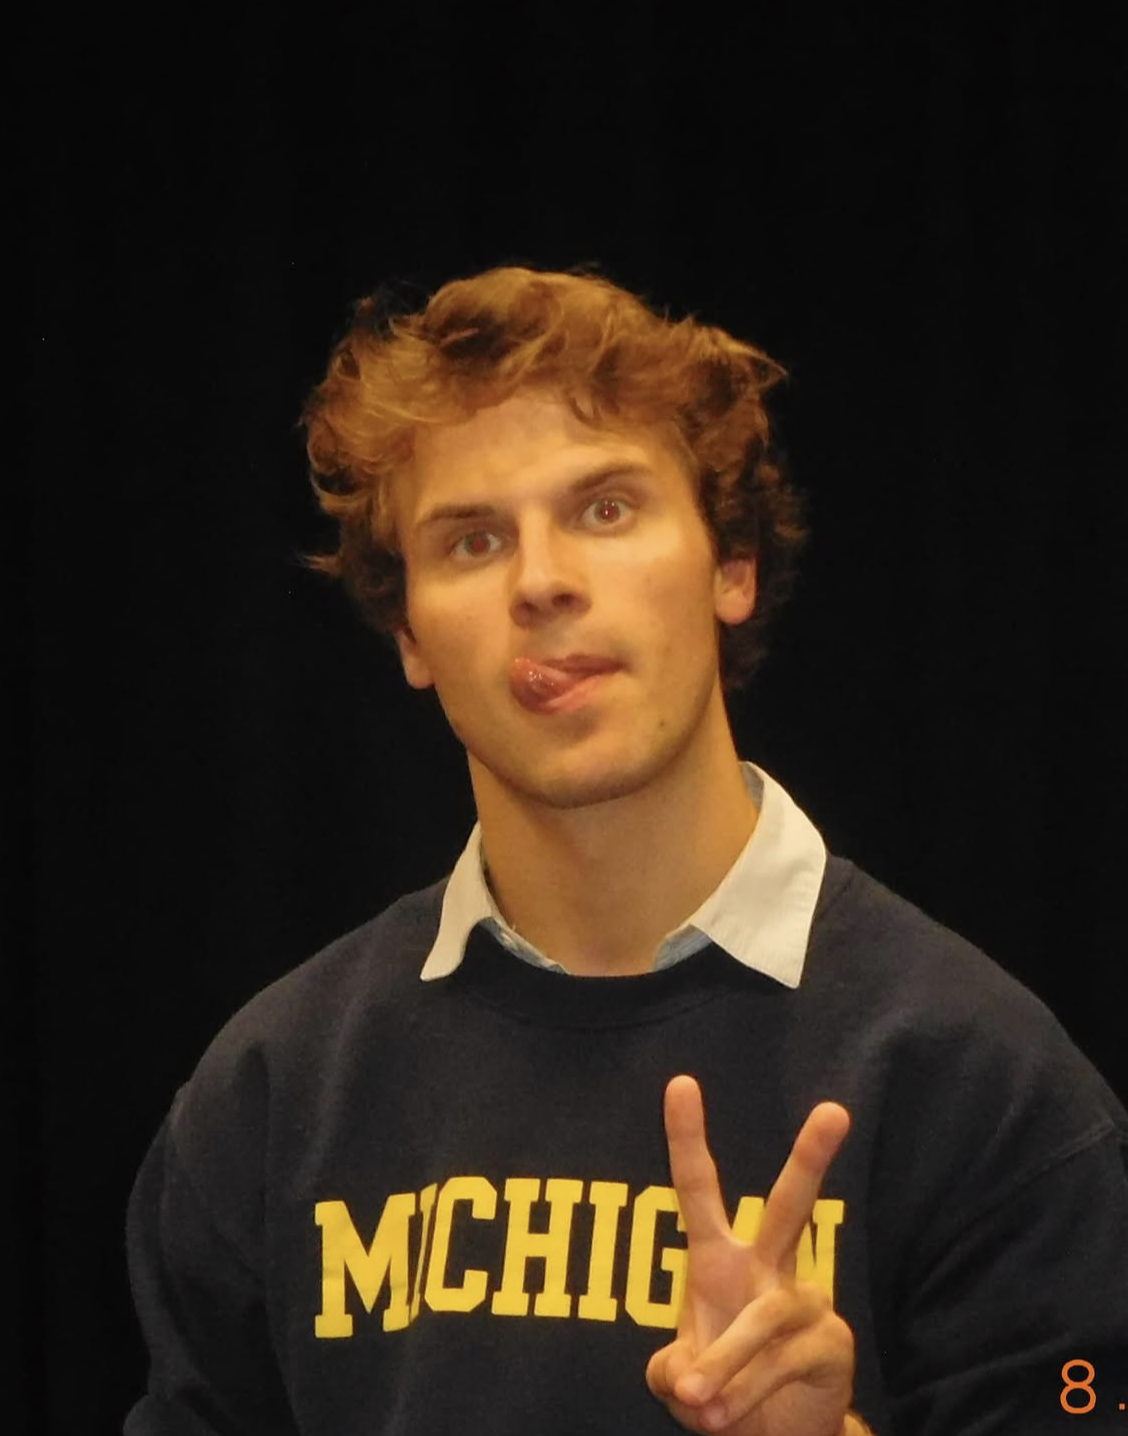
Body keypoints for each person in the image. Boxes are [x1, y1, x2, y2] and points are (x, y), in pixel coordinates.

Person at [124, 266, 1128, 1435]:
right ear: (409, 634)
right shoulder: (270, 1093)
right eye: (472, 540)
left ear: (731, 565)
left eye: (605, 509)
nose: (543, 582)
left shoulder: (986, 1088)